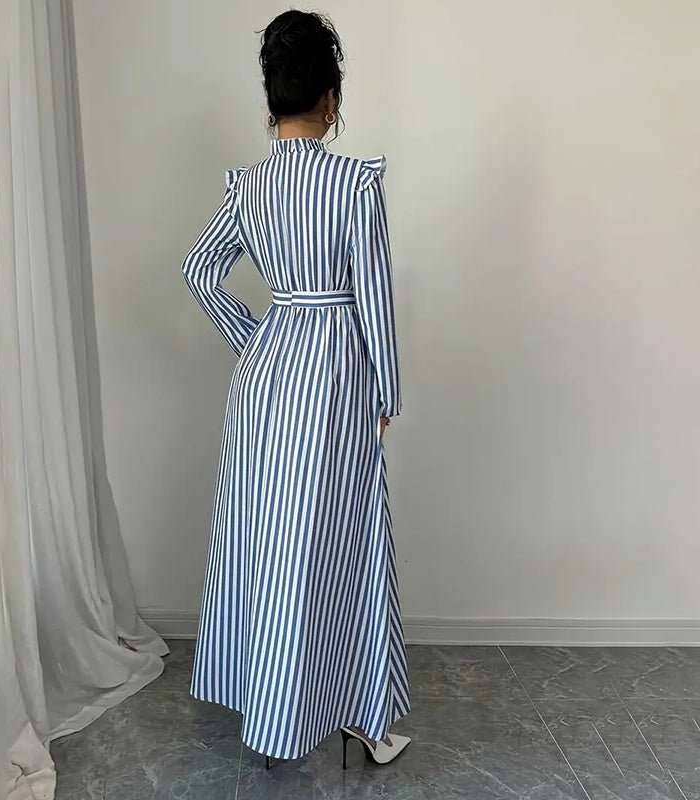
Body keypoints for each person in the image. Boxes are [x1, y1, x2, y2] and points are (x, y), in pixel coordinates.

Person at [182, 9, 410, 770]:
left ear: (271, 97)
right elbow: (374, 296)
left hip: (267, 373)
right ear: (331, 98)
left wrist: (257, 340)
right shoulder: (353, 183)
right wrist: (388, 394)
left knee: (273, 541)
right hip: (336, 374)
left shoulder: (249, 187)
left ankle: (274, 701)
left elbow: (198, 273)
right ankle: (360, 718)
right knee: (346, 544)